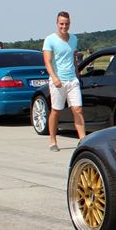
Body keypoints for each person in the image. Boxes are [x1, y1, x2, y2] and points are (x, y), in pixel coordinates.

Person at [42, 11, 85, 151]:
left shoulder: (74, 39)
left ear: (70, 24)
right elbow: (47, 62)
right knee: (56, 110)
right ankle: (52, 140)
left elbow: (73, 58)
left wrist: (77, 74)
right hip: (58, 81)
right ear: (57, 24)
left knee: (78, 109)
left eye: (66, 24)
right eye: (61, 24)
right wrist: (54, 77)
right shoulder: (50, 40)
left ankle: (83, 141)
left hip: (72, 80)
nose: (64, 26)